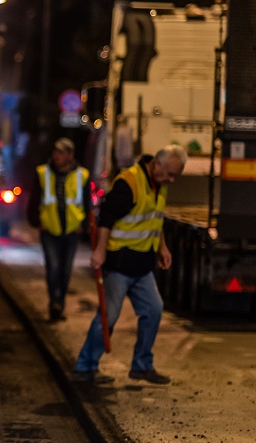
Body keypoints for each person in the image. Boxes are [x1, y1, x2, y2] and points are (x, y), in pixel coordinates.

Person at [72, 144, 187, 385]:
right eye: (170, 174)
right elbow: (106, 218)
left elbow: (155, 219)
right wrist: (100, 250)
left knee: (154, 311)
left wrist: (162, 246)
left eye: (175, 175)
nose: (172, 180)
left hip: (142, 265)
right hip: (119, 265)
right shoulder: (129, 183)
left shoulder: (159, 184)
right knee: (108, 316)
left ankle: (142, 366)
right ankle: (85, 367)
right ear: (157, 164)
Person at [35, 138, 90, 322]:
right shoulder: (43, 172)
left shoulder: (82, 175)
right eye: (55, 152)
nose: (56, 156)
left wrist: (85, 227)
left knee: (65, 270)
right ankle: (54, 303)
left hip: (71, 231)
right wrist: (37, 223)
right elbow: (34, 200)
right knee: (53, 268)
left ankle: (60, 303)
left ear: (70, 155)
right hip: (50, 229)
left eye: (61, 152)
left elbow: (87, 204)